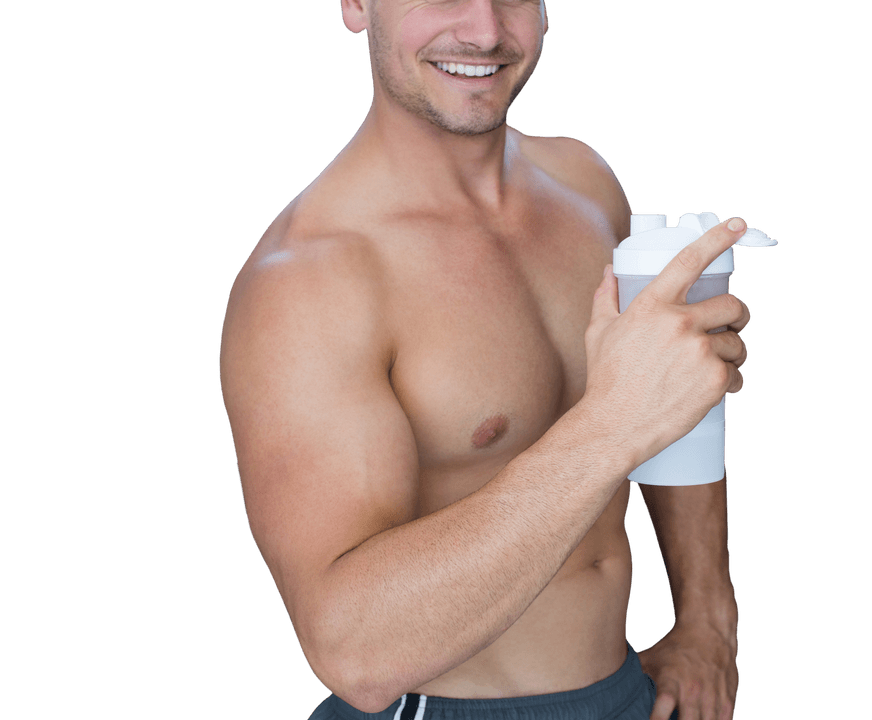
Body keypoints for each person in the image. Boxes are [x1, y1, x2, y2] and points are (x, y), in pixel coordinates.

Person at [219, 2, 753, 719]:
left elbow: (671, 402)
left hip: (626, 694)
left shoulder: (585, 182)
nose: (483, 29)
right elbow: (355, 654)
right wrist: (609, 427)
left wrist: (708, 618)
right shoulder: (312, 281)